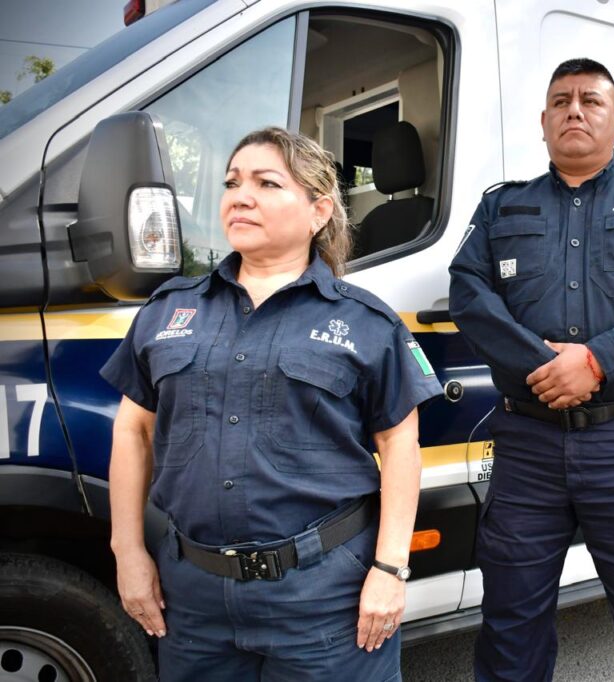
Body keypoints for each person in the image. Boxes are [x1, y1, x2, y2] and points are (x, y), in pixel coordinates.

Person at [102, 127, 442, 681]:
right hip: (193, 596)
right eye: (232, 182)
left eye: (267, 183)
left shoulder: (366, 322)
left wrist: (389, 568)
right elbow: (132, 433)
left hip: (323, 597)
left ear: (317, 211)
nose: (241, 195)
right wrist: (128, 552)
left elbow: (400, 444)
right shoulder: (168, 311)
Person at [449, 58, 614, 681]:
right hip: (528, 448)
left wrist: (596, 361)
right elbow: (469, 293)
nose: (575, 110)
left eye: (591, 101)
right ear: (543, 123)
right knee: (511, 632)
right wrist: (545, 366)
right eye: (561, 101)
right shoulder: (500, 209)